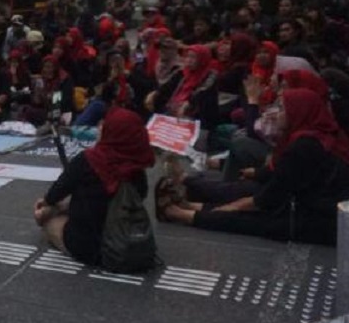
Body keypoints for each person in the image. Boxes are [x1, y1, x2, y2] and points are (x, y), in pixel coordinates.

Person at [160, 89, 349, 245]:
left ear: (299, 111)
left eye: (283, 108)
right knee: (243, 194)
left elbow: (269, 198)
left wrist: (228, 209)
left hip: (323, 221)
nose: (276, 113)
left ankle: (179, 213)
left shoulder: (305, 145)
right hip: (316, 207)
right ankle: (191, 205)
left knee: (248, 218)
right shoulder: (315, 135)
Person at [34, 107, 154, 265]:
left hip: (90, 246)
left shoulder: (88, 160)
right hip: (128, 238)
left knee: (47, 218)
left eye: (106, 124)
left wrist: (48, 207)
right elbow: (137, 195)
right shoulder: (137, 166)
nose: (100, 126)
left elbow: (53, 195)